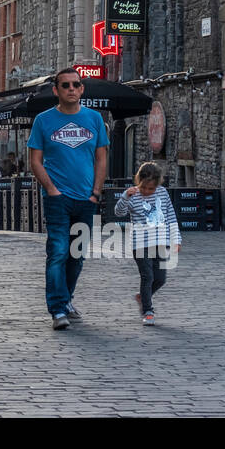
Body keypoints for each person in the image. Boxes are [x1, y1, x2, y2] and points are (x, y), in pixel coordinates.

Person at [27, 66, 109, 331]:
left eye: (76, 85)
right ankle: (58, 309)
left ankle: (67, 299)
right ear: (56, 90)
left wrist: (96, 192)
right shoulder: (43, 120)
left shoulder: (94, 119)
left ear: (82, 89)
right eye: (66, 85)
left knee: (77, 254)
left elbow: (101, 157)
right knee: (59, 251)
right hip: (57, 198)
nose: (71, 89)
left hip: (86, 198)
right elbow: (35, 160)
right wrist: (51, 189)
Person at [113, 162, 182, 325]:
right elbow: (118, 212)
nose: (147, 191)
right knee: (147, 276)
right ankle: (148, 310)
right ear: (139, 181)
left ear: (158, 185)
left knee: (160, 279)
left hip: (160, 242)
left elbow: (171, 216)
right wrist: (125, 197)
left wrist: (176, 239)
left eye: (151, 189)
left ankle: (142, 297)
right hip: (141, 244)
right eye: (144, 188)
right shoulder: (132, 195)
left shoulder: (163, 194)